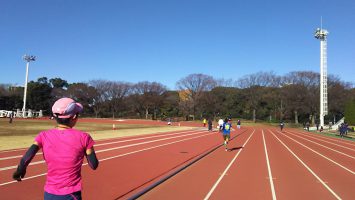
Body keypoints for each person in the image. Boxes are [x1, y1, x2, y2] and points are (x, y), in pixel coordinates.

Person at [13, 97, 99, 200]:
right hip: (71, 194)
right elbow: (93, 165)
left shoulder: (43, 136)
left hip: (49, 193)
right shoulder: (84, 137)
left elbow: (27, 156)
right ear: (74, 116)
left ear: (54, 116)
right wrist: (86, 149)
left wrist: (20, 169)